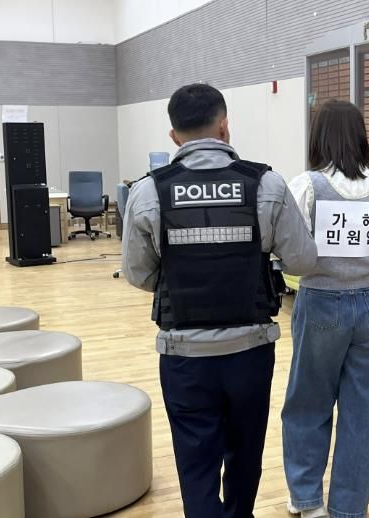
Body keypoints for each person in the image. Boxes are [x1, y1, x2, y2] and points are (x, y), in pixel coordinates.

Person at [121, 83, 317, 518]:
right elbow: (303, 260)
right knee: (245, 453)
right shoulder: (265, 184)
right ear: (225, 127)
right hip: (250, 351)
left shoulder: (150, 191)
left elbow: (138, 273)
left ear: (174, 136)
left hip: (184, 355)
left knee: (195, 463)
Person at [282, 100, 369, 518]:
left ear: (318, 137)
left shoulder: (306, 186)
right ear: (361, 137)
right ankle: (349, 508)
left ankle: (307, 499)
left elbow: (290, 250)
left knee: (308, 402)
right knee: (363, 411)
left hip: (321, 302)